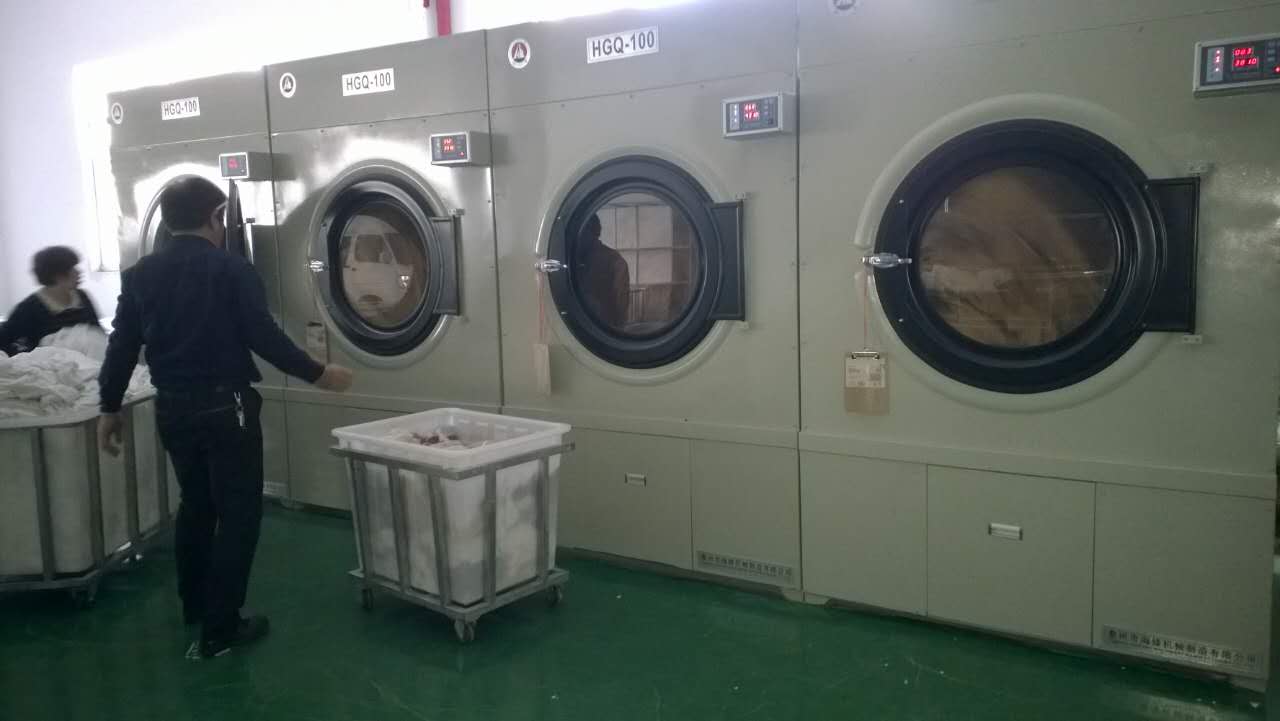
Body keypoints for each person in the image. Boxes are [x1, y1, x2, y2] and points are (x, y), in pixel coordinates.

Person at [97, 176, 354, 659]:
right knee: (239, 514)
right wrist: (319, 374)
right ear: (216, 217)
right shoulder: (231, 269)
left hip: (172, 407)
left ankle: (195, 605)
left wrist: (108, 406)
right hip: (224, 406)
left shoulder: (139, 274)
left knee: (196, 504)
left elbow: (122, 344)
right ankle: (221, 628)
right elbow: (262, 335)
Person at [0, 246, 101, 356]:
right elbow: (4, 340)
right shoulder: (30, 307)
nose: (79, 272)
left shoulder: (82, 296)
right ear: (58, 275)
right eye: (72, 268)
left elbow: (97, 331)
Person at [575, 214, 631, 330]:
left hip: (602, 326)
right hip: (601, 328)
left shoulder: (614, 260)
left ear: (592, 232)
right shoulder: (614, 258)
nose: (579, 236)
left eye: (583, 231)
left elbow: (621, 299)